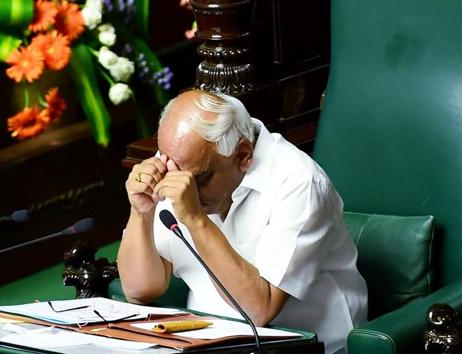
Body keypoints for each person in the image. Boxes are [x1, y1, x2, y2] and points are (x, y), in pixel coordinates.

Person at [117, 89, 368, 354]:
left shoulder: (299, 182)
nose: (180, 187)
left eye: (198, 179)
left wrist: (196, 220)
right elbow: (139, 290)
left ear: (243, 155)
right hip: (207, 343)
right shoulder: (179, 165)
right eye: (167, 165)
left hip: (304, 345)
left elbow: (260, 310)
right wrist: (141, 212)